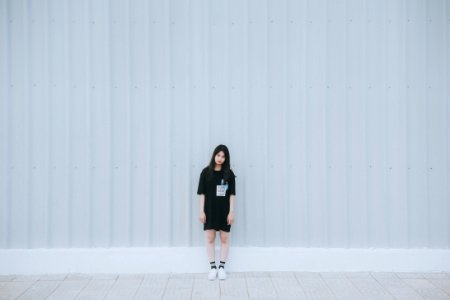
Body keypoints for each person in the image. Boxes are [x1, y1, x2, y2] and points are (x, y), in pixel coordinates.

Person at [197, 144, 236, 280]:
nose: (220, 158)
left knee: (225, 238)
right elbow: (202, 194)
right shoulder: (206, 172)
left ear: (226, 158)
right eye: (218, 155)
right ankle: (213, 267)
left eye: (223, 156)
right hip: (209, 211)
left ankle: (222, 268)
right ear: (214, 155)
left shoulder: (229, 174)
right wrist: (201, 211)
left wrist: (231, 212)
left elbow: (232, 194)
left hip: (224, 211)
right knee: (210, 238)